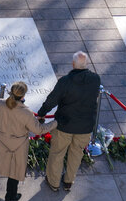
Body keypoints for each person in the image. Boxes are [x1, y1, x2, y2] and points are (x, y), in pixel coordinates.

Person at [0, 81, 56, 201]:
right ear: (23, 96)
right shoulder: (27, 113)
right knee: (14, 171)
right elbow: (39, 130)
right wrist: (55, 123)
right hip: (18, 146)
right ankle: (10, 196)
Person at [37, 51, 102, 192]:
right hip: (85, 126)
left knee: (57, 153)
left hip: (64, 125)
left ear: (73, 64)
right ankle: (68, 181)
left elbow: (51, 101)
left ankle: (53, 182)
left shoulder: (65, 81)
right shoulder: (96, 79)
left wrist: (41, 114)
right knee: (76, 154)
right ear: (87, 64)